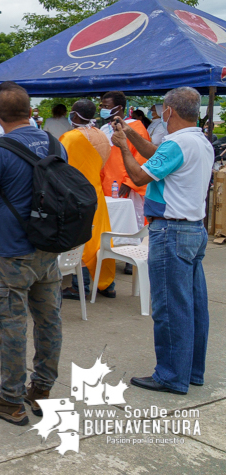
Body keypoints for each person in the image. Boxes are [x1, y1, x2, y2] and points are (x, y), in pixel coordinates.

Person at [0, 84, 64, 426]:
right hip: (46, 249)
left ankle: (10, 399)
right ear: (30, 111)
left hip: (9, 252)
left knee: (10, 324)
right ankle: (41, 389)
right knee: (48, 320)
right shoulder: (55, 144)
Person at [113, 88, 213, 395]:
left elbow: (140, 176)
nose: (159, 114)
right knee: (192, 305)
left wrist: (123, 148)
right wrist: (130, 132)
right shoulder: (198, 141)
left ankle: (171, 375)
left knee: (170, 307)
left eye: (162, 110)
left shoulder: (177, 143)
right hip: (192, 229)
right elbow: (157, 154)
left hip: (171, 231)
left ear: (170, 111)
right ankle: (190, 370)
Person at [59, 100, 115, 300]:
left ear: (74, 115)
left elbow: (60, 164)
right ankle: (107, 284)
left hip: (75, 194)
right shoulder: (101, 135)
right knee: (99, 238)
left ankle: (78, 285)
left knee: (79, 238)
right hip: (96, 191)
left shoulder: (70, 138)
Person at [99, 91, 151, 232]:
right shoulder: (104, 129)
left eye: (107, 106)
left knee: (131, 224)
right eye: (102, 106)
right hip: (107, 184)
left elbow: (142, 157)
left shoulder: (136, 127)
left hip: (127, 185)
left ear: (119, 108)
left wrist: (129, 183)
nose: (103, 109)